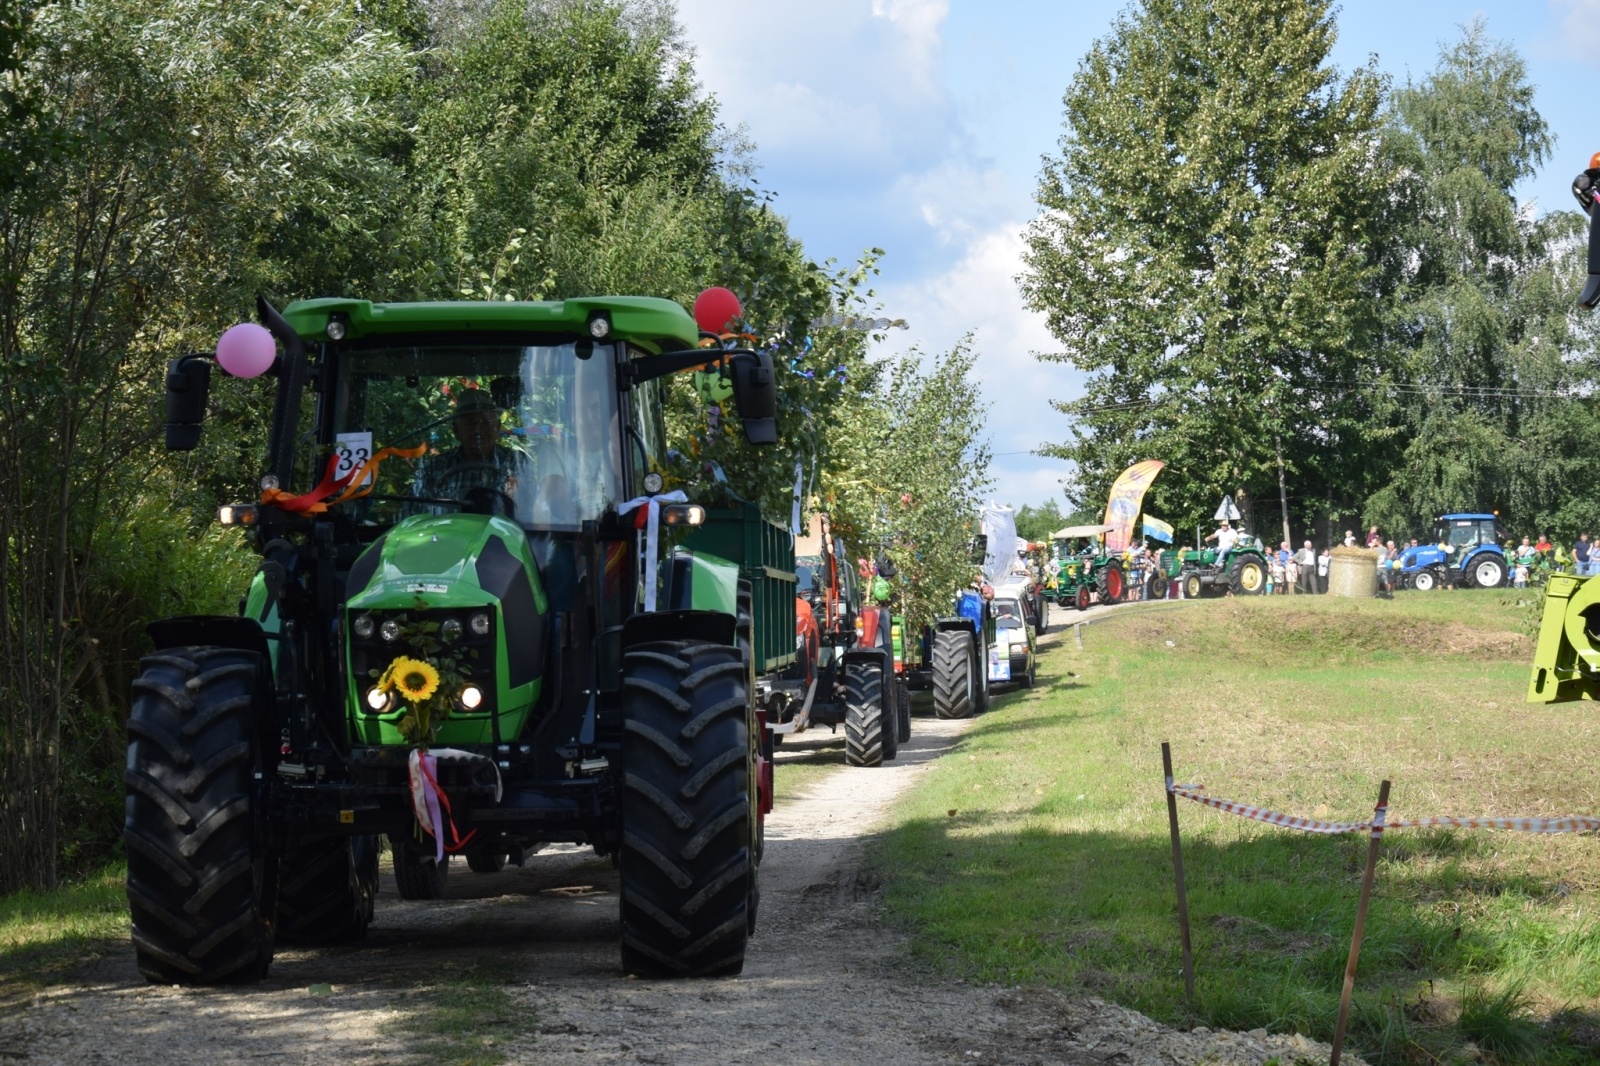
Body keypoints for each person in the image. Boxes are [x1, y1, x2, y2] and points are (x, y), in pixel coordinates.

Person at [416, 388, 520, 504]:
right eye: (471, 423)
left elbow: (531, 509)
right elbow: (413, 511)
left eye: (486, 422)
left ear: (498, 427)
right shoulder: (434, 467)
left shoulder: (516, 462)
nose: (479, 430)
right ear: (456, 430)